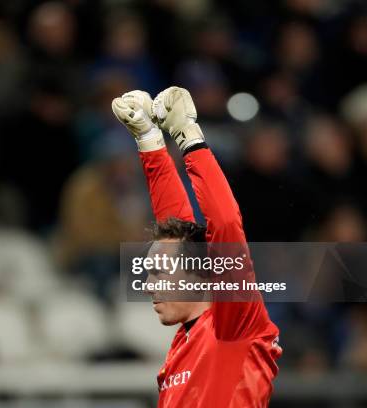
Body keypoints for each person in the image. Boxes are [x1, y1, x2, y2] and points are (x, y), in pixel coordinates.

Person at [111, 87, 282, 407]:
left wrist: (189, 137)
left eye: (158, 273)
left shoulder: (234, 324)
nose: (148, 285)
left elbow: (226, 224)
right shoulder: (184, 341)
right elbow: (177, 228)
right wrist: (149, 142)